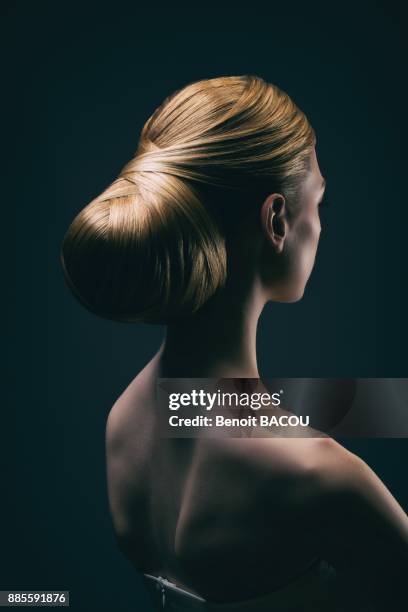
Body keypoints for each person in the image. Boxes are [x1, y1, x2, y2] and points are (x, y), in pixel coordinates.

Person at [60, 75, 408, 610]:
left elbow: (228, 413)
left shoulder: (125, 420)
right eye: (320, 201)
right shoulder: (325, 480)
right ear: (276, 219)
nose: (320, 223)